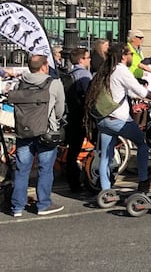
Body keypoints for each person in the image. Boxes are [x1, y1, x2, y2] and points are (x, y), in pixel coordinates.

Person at [85, 43, 151, 193]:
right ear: (123, 56)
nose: (131, 56)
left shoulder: (106, 69)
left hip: (103, 118)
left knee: (106, 155)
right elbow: (141, 92)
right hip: (119, 119)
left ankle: (105, 189)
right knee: (142, 145)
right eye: (130, 54)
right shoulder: (122, 70)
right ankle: (143, 181)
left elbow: (125, 91)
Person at [10, 55, 65, 217]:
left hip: (24, 131)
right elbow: (60, 109)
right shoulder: (53, 84)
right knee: (45, 169)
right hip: (46, 132)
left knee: (21, 170)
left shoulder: (21, 83)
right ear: (44, 66)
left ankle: (17, 207)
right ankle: (43, 205)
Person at [64, 47, 92, 193]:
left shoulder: (70, 73)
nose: (89, 60)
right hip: (81, 116)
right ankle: (79, 181)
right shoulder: (84, 75)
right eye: (87, 57)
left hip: (70, 115)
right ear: (81, 60)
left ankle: (72, 180)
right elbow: (90, 95)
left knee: (72, 150)